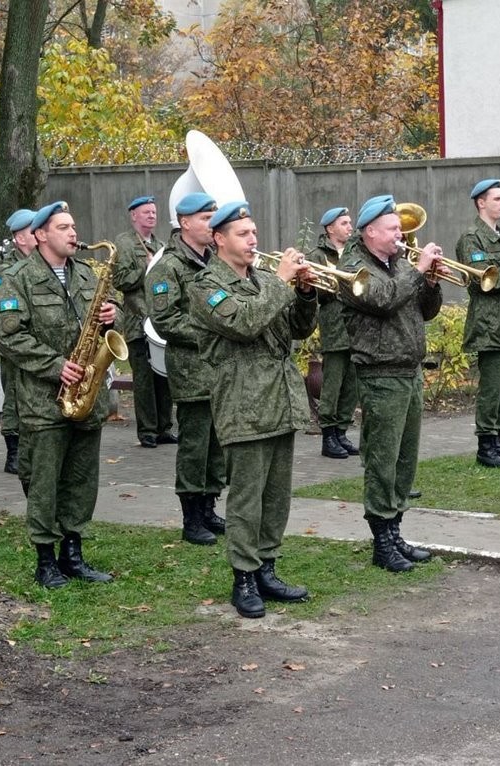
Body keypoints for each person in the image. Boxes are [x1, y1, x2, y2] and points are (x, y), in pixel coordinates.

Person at [189, 201, 316, 619]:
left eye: (254, 232)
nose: (253, 240)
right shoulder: (207, 286)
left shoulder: (264, 277)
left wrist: (306, 293)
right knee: (246, 498)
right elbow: (243, 324)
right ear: (218, 238)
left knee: (276, 495)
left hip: (280, 399)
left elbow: (297, 329)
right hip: (243, 403)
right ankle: (243, 577)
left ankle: (267, 568)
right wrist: (281, 284)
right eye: (243, 234)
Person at [0, 201, 116, 588]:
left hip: (86, 398)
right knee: (44, 481)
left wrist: (115, 315)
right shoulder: (19, 278)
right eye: (63, 227)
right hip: (44, 401)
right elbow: (8, 333)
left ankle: (73, 553)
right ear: (41, 234)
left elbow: (110, 316)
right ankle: (46, 559)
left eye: (74, 226)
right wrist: (55, 365)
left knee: (81, 478)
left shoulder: (86, 274)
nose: (73, 233)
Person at [339, 194, 444, 572]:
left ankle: (395, 530)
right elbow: (383, 300)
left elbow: (426, 312)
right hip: (380, 373)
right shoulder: (354, 268)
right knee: (382, 461)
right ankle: (381, 542)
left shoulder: (398, 264)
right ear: (370, 232)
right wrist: (417, 270)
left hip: (409, 370)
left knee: (404, 460)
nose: (401, 234)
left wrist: (430, 282)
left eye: (400, 227)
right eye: (392, 228)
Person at [147, 192, 228, 546]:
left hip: (221, 368)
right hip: (193, 368)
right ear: (185, 222)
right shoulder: (168, 265)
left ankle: (209, 507)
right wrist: (214, 330)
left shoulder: (214, 260)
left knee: (217, 444)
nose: (213, 223)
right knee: (195, 445)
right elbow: (165, 319)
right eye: (206, 217)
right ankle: (191, 516)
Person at [454, 179, 500, 468]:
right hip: (489, 324)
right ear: (481, 203)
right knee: (492, 389)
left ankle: (498, 440)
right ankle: (486, 446)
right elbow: (485, 279)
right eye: (497, 199)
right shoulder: (472, 238)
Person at [112, 195, 175, 448]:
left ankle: (165, 428)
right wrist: (145, 269)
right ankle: (147, 431)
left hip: (159, 322)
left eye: (154, 211)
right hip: (138, 323)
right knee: (145, 380)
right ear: (134, 215)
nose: (152, 215)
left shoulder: (160, 243)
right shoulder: (124, 243)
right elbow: (120, 280)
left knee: (164, 377)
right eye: (146, 212)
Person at [0, 209, 36, 475]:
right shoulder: (4, 267)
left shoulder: (40, 261)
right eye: (34, 229)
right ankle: (14, 452)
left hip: (36, 344)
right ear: (21, 238)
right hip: (14, 345)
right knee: (14, 397)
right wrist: (7, 342)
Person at [306, 205, 359, 459]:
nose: (350, 226)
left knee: (352, 385)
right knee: (333, 383)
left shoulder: (355, 252)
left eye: (350, 222)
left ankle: (341, 431)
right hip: (335, 327)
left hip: (357, 327)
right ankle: (328, 436)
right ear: (330, 228)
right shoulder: (316, 255)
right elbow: (318, 292)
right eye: (344, 223)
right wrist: (342, 283)